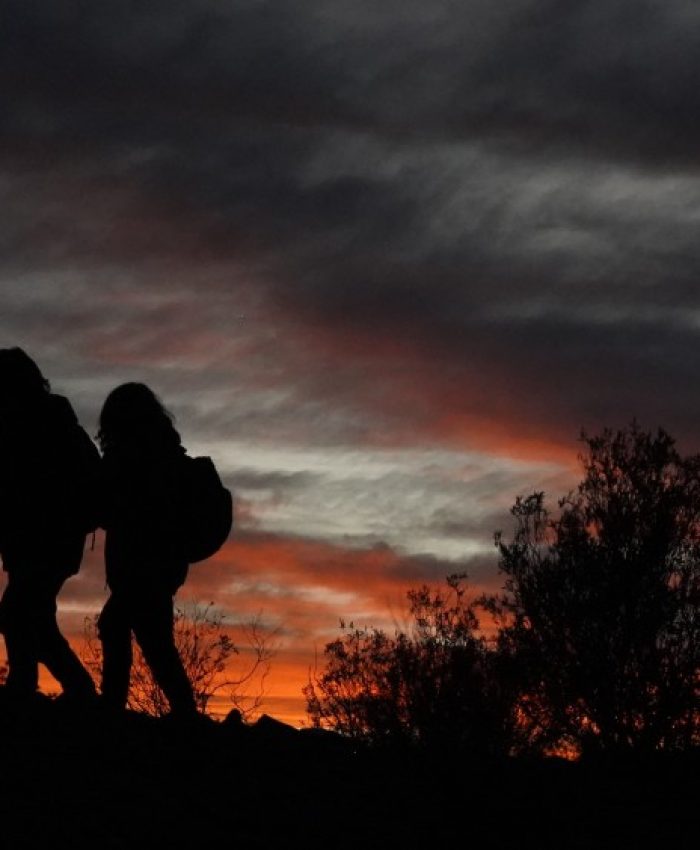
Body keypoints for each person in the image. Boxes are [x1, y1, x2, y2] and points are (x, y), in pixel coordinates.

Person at [0, 347, 99, 704]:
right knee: (34, 618)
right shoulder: (22, 422)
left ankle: (26, 686)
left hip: (50, 537)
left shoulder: (46, 420)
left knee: (16, 611)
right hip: (31, 540)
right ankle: (70, 688)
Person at [96, 382, 198, 718]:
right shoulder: (163, 450)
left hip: (146, 563)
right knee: (151, 638)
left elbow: (122, 507)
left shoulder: (137, 455)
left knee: (127, 629)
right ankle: (181, 712)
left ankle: (114, 707)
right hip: (158, 562)